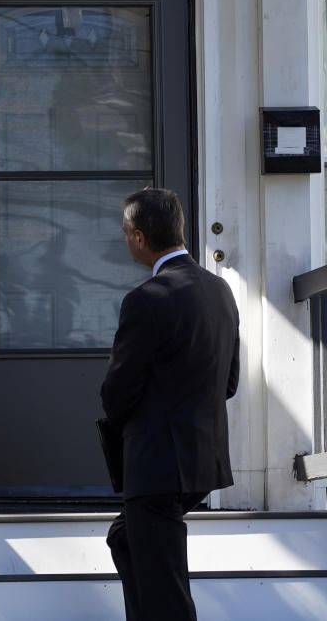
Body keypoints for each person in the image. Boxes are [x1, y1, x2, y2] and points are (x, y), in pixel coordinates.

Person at [101, 188, 240, 621]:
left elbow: (117, 392)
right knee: (126, 540)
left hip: (158, 464)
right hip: (201, 461)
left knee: (166, 592)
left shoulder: (146, 299)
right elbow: (229, 382)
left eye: (126, 233)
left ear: (140, 238)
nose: (125, 240)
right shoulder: (220, 291)